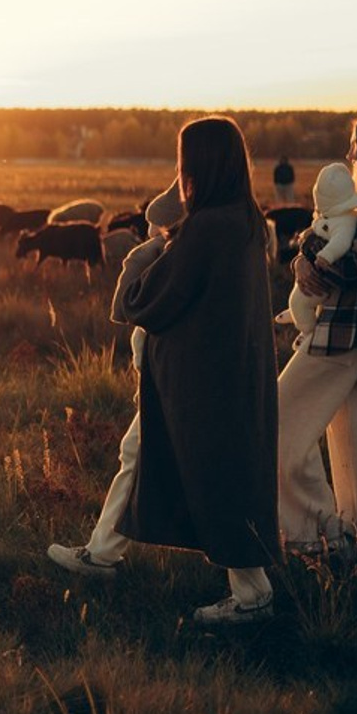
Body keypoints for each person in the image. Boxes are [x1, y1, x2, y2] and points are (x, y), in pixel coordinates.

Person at [108, 116, 279, 624]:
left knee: (217, 479)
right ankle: (251, 592)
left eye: (183, 164)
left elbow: (150, 299)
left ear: (198, 166)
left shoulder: (207, 228)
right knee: (229, 477)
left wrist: (140, 262)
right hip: (236, 373)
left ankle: (253, 599)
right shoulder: (244, 220)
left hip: (208, 383)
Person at [48, 178, 184, 578]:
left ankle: (258, 579)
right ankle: (102, 552)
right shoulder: (205, 238)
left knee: (200, 465)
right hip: (174, 372)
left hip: (180, 374)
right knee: (137, 451)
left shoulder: (181, 252)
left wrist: (143, 253)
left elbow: (128, 306)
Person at [276, 118, 357, 552]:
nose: (350, 155)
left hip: (341, 340)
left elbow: (346, 265)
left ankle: (318, 533)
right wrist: (303, 260)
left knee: (281, 419)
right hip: (339, 333)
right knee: (348, 444)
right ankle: (343, 538)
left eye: (356, 146)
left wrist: (313, 259)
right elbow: (322, 234)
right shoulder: (350, 206)